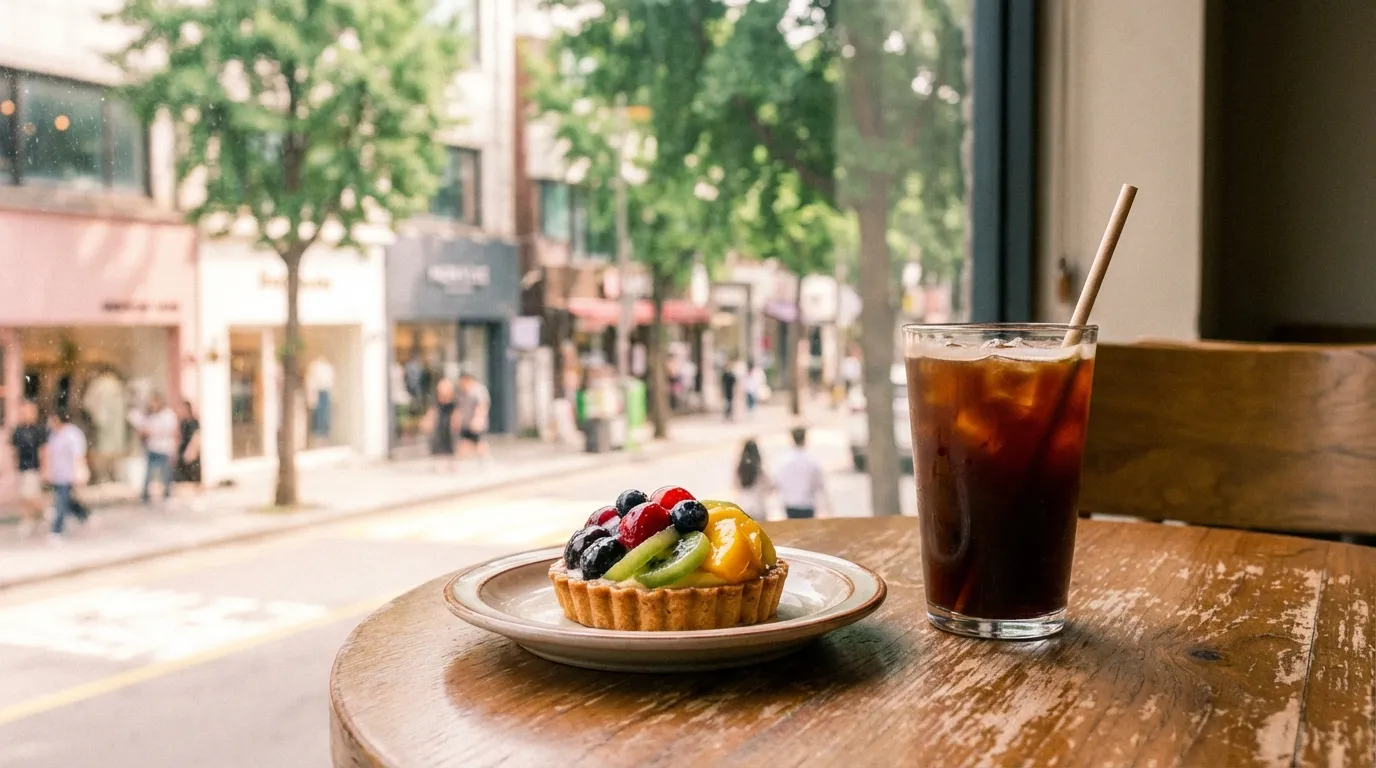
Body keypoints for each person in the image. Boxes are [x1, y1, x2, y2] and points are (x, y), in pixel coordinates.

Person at [44, 411, 89, 542]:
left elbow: (78, 455)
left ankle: (56, 530)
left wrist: (79, 472)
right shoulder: (53, 435)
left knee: (61, 502)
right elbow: (50, 454)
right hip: (58, 474)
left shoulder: (72, 434)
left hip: (69, 474)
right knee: (67, 500)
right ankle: (84, 516)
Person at [9, 401, 48, 538]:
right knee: (24, 496)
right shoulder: (18, 430)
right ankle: (29, 520)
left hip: (34, 468)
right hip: (22, 468)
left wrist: (44, 468)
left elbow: (43, 450)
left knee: (30, 495)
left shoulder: (37, 429)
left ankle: (44, 514)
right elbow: (13, 450)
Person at [774, 426, 830, 519]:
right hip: (807, 504)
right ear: (805, 439)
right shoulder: (811, 461)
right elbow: (820, 484)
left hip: (790, 503)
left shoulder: (784, 462)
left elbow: (777, 482)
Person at [137, 393, 179, 507]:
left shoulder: (168, 415)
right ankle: (145, 498)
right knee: (148, 475)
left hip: (165, 449)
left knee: (166, 475)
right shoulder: (149, 415)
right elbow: (143, 431)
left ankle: (167, 496)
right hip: (152, 448)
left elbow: (172, 432)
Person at [732, 438, 775, 520]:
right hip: (758, 508)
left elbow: (735, 485)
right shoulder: (760, 470)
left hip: (743, 507)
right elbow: (770, 487)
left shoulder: (739, 469)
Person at [425, 378, 460, 472]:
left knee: (451, 451)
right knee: (437, 453)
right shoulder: (436, 405)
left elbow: (457, 419)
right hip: (438, 432)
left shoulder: (455, 405)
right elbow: (430, 417)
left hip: (449, 434)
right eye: (441, 392)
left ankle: (451, 468)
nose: (443, 394)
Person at [457, 372, 492, 463]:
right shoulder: (463, 391)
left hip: (476, 423)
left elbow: (482, 405)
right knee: (464, 444)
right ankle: (464, 465)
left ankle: (486, 462)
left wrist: (478, 419)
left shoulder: (478, 390)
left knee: (479, 444)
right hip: (466, 423)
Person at [174, 400, 202, 502]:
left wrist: (191, 450)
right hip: (183, 448)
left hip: (191, 449)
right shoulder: (183, 422)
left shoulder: (194, 422)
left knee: (193, 473)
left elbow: (196, 436)